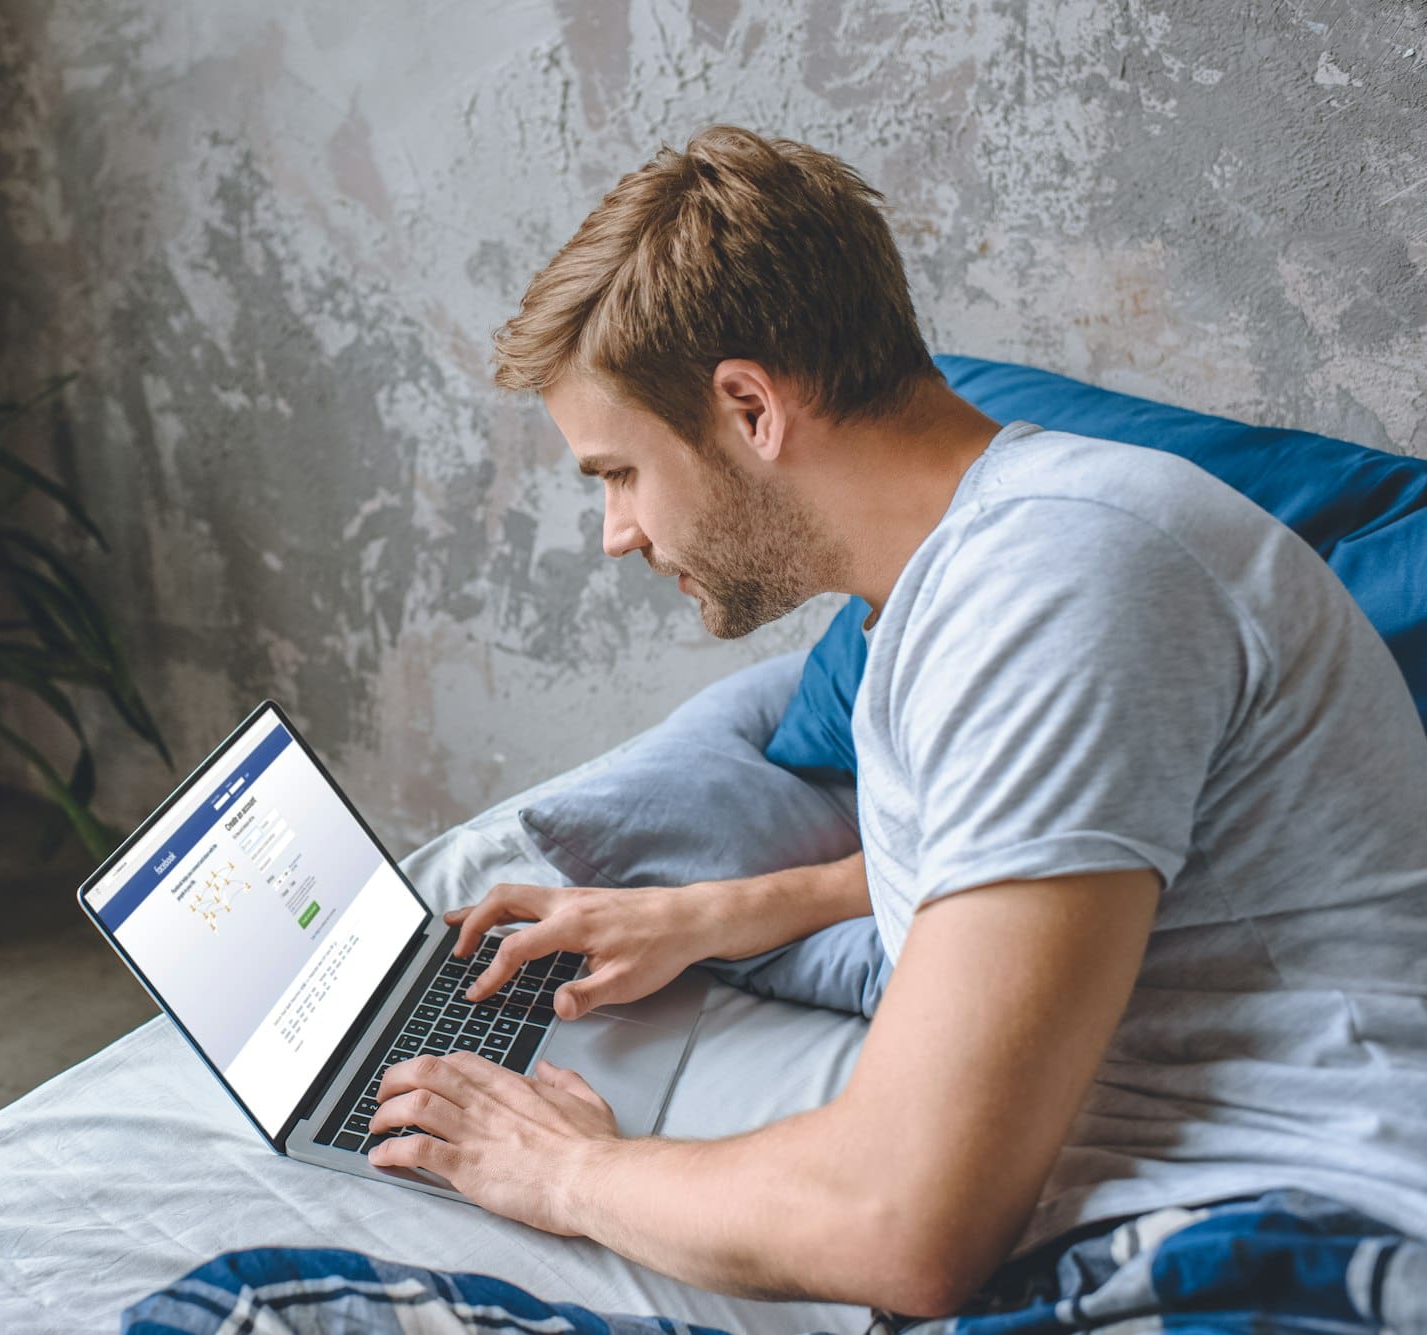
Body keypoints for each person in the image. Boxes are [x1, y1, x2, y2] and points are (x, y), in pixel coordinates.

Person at [128, 126, 1427, 1331]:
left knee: (245, 1313)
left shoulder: (1067, 584)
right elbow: (1064, 856)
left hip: (1273, 1254)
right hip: (1183, 1228)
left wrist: (568, 1170)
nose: (618, 532)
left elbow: (903, 1227)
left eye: (620, 473)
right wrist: (722, 911)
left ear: (750, 409)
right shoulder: (996, 572)